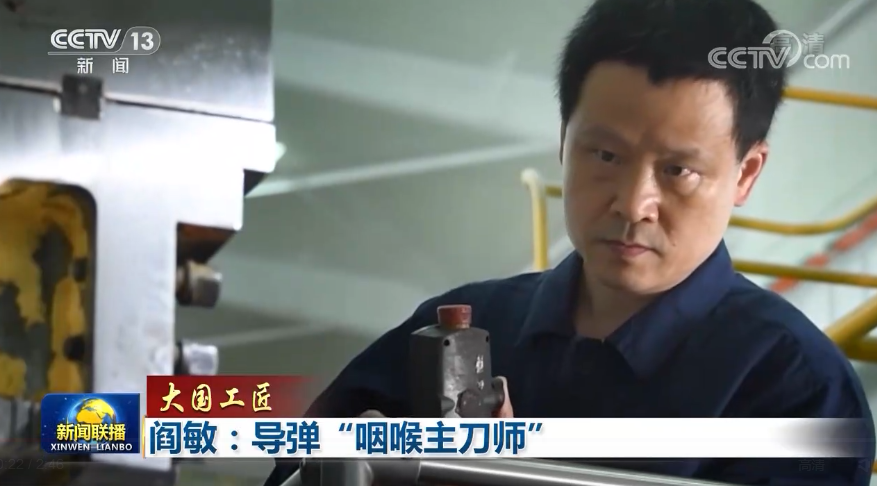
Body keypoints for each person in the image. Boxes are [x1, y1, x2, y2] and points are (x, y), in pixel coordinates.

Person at [265, 0, 875, 484]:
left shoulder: (796, 390)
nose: (633, 203)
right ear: (564, 140)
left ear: (745, 173)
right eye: (605, 155)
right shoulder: (453, 330)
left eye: (678, 171)